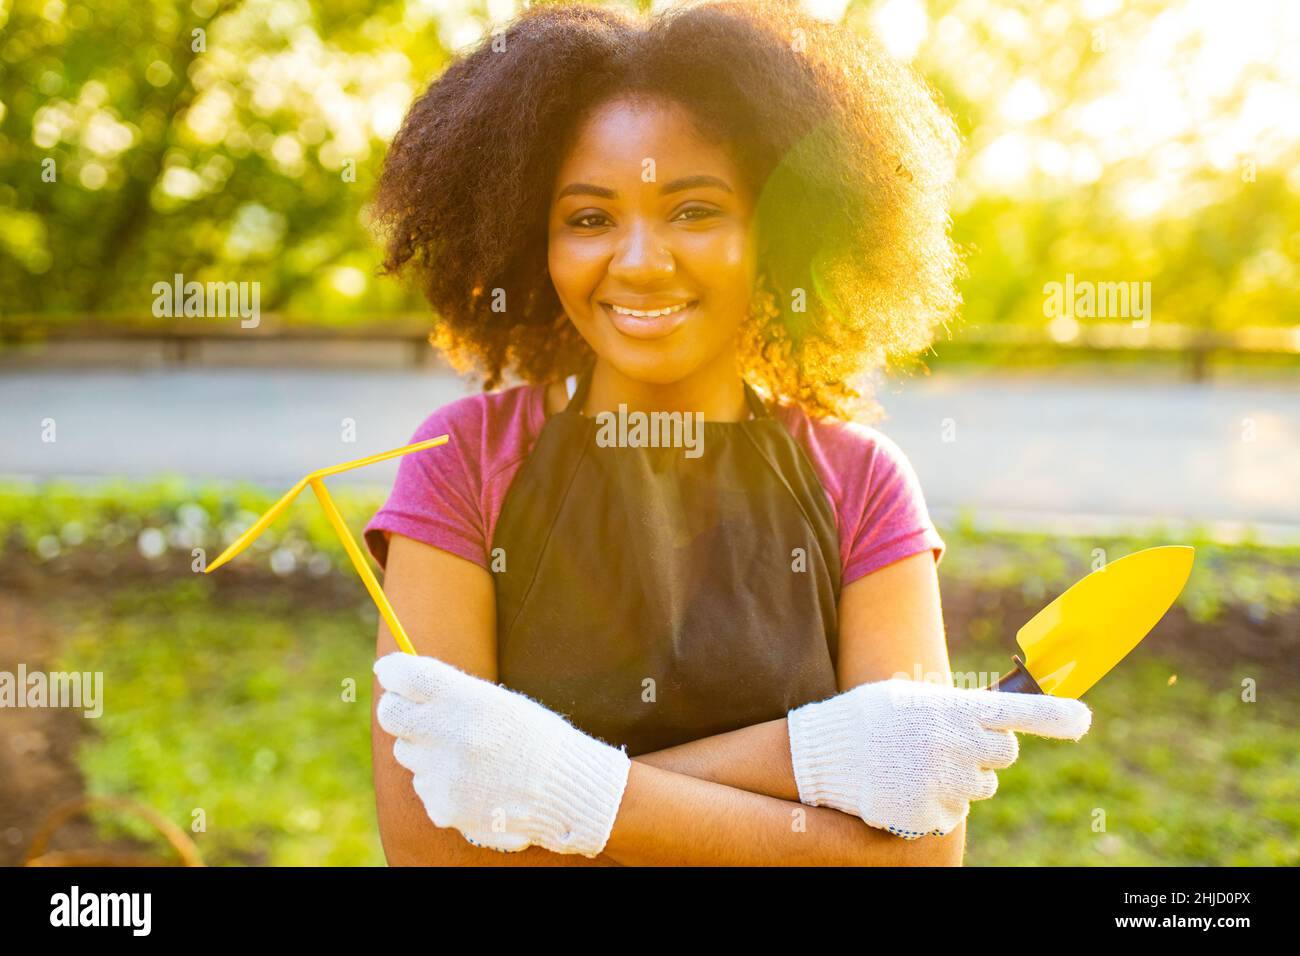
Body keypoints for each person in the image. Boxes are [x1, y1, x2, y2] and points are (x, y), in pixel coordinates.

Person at [364, 0, 1090, 866]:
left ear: (775, 233)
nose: (638, 261)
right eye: (589, 218)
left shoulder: (861, 482)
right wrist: (814, 769)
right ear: (533, 238)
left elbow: (916, 860)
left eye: (695, 211)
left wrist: (555, 790)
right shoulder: (458, 463)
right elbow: (430, 852)